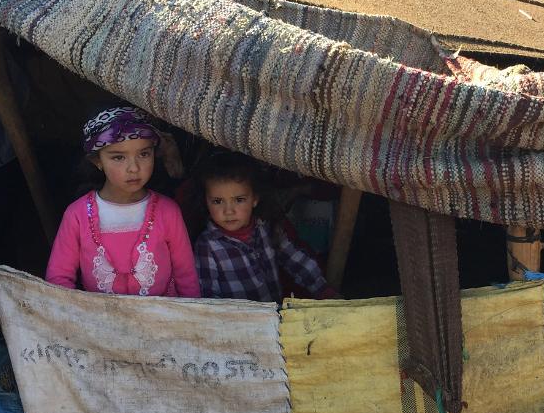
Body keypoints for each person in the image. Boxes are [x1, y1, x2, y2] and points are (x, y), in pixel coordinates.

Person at [46, 106, 200, 297]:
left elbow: (187, 277)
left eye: (144, 154)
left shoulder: (168, 211)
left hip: (164, 315)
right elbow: (58, 279)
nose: (134, 168)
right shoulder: (77, 215)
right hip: (99, 316)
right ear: (97, 161)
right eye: (119, 157)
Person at [193, 152, 331, 302]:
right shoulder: (207, 246)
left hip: (275, 313)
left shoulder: (267, 227)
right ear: (206, 202)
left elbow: (296, 260)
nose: (228, 211)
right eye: (218, 201)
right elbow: (207, 297)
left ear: (255, 199)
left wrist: (322, 290)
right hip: (235, 317)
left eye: (239, 200)